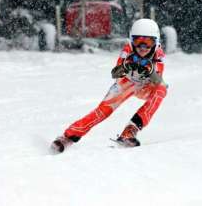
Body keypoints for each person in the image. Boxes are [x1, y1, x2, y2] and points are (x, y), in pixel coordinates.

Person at [51, 18, 167, 152]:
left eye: (148, 42)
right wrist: (127, 66)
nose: (142, 47)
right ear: (131, 40)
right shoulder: (128, 49)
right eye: (138, 41)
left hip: (145, 86)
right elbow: (115, 73)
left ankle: (131, 130)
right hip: (126, 83)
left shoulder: (158, 54)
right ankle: (68, 137)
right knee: (102, 112)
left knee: (162, 89)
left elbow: (158, 80)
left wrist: (148, 71)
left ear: (156, 42)